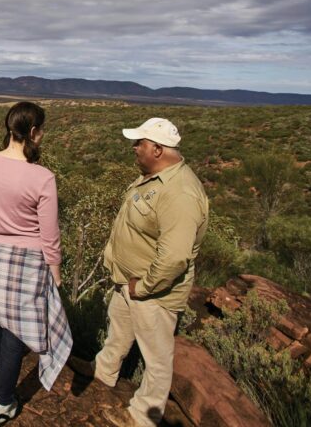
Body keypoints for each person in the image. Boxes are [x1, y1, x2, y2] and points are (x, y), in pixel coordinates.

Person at [70, 117, 209, 427]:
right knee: (118, 331)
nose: (134, 148)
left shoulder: (180, 193)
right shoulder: (153, 177)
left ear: (157, 149)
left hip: (153, 291)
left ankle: (144, 416)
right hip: (128, 281)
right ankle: (104, 372)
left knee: (157, 357)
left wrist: (143, 286)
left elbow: (174, 257)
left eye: (140, 144)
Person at [0, 102, 72, 426]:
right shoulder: (43, 178)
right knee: (16, 331)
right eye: (43, 131)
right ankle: (3, 402)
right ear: (34, 132)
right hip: (29, 260)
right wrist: (56, 272)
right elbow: (49, 234)